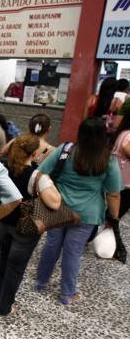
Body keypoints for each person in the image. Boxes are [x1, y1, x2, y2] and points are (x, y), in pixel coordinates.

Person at [35, 118, 121, 305]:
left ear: (80, 133)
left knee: (51, 245)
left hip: (59, 207)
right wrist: (113, 218)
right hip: (87, 214)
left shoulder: (65, 150)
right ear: (103, 135)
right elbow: (113, 194)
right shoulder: (108, 160)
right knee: (73, 253)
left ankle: (41, 282)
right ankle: (67, 294)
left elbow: (42, 172)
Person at [0, 135, 61, 316]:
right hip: (24, 228)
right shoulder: (37, 176)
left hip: (2, 222)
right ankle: (5, 306)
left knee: (4, 256)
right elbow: (54, 203)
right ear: (35, 153)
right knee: (16, 267)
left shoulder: (3, 168)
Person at [113, 112, 130, 221]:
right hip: (125, 179)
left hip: (117, 174)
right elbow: (126, 148)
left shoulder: (123, 132)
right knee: (120, 207)